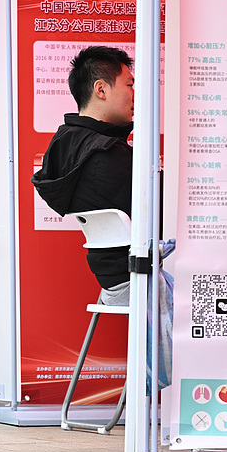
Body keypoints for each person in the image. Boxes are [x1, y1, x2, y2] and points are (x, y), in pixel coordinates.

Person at [31, 46, 135, 305]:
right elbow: (160, 214)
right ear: (101, 90)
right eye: (129, 84)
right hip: (136, 276)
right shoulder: (107, 154)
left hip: (111, 276)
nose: (135, 94)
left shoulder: (65, 143)